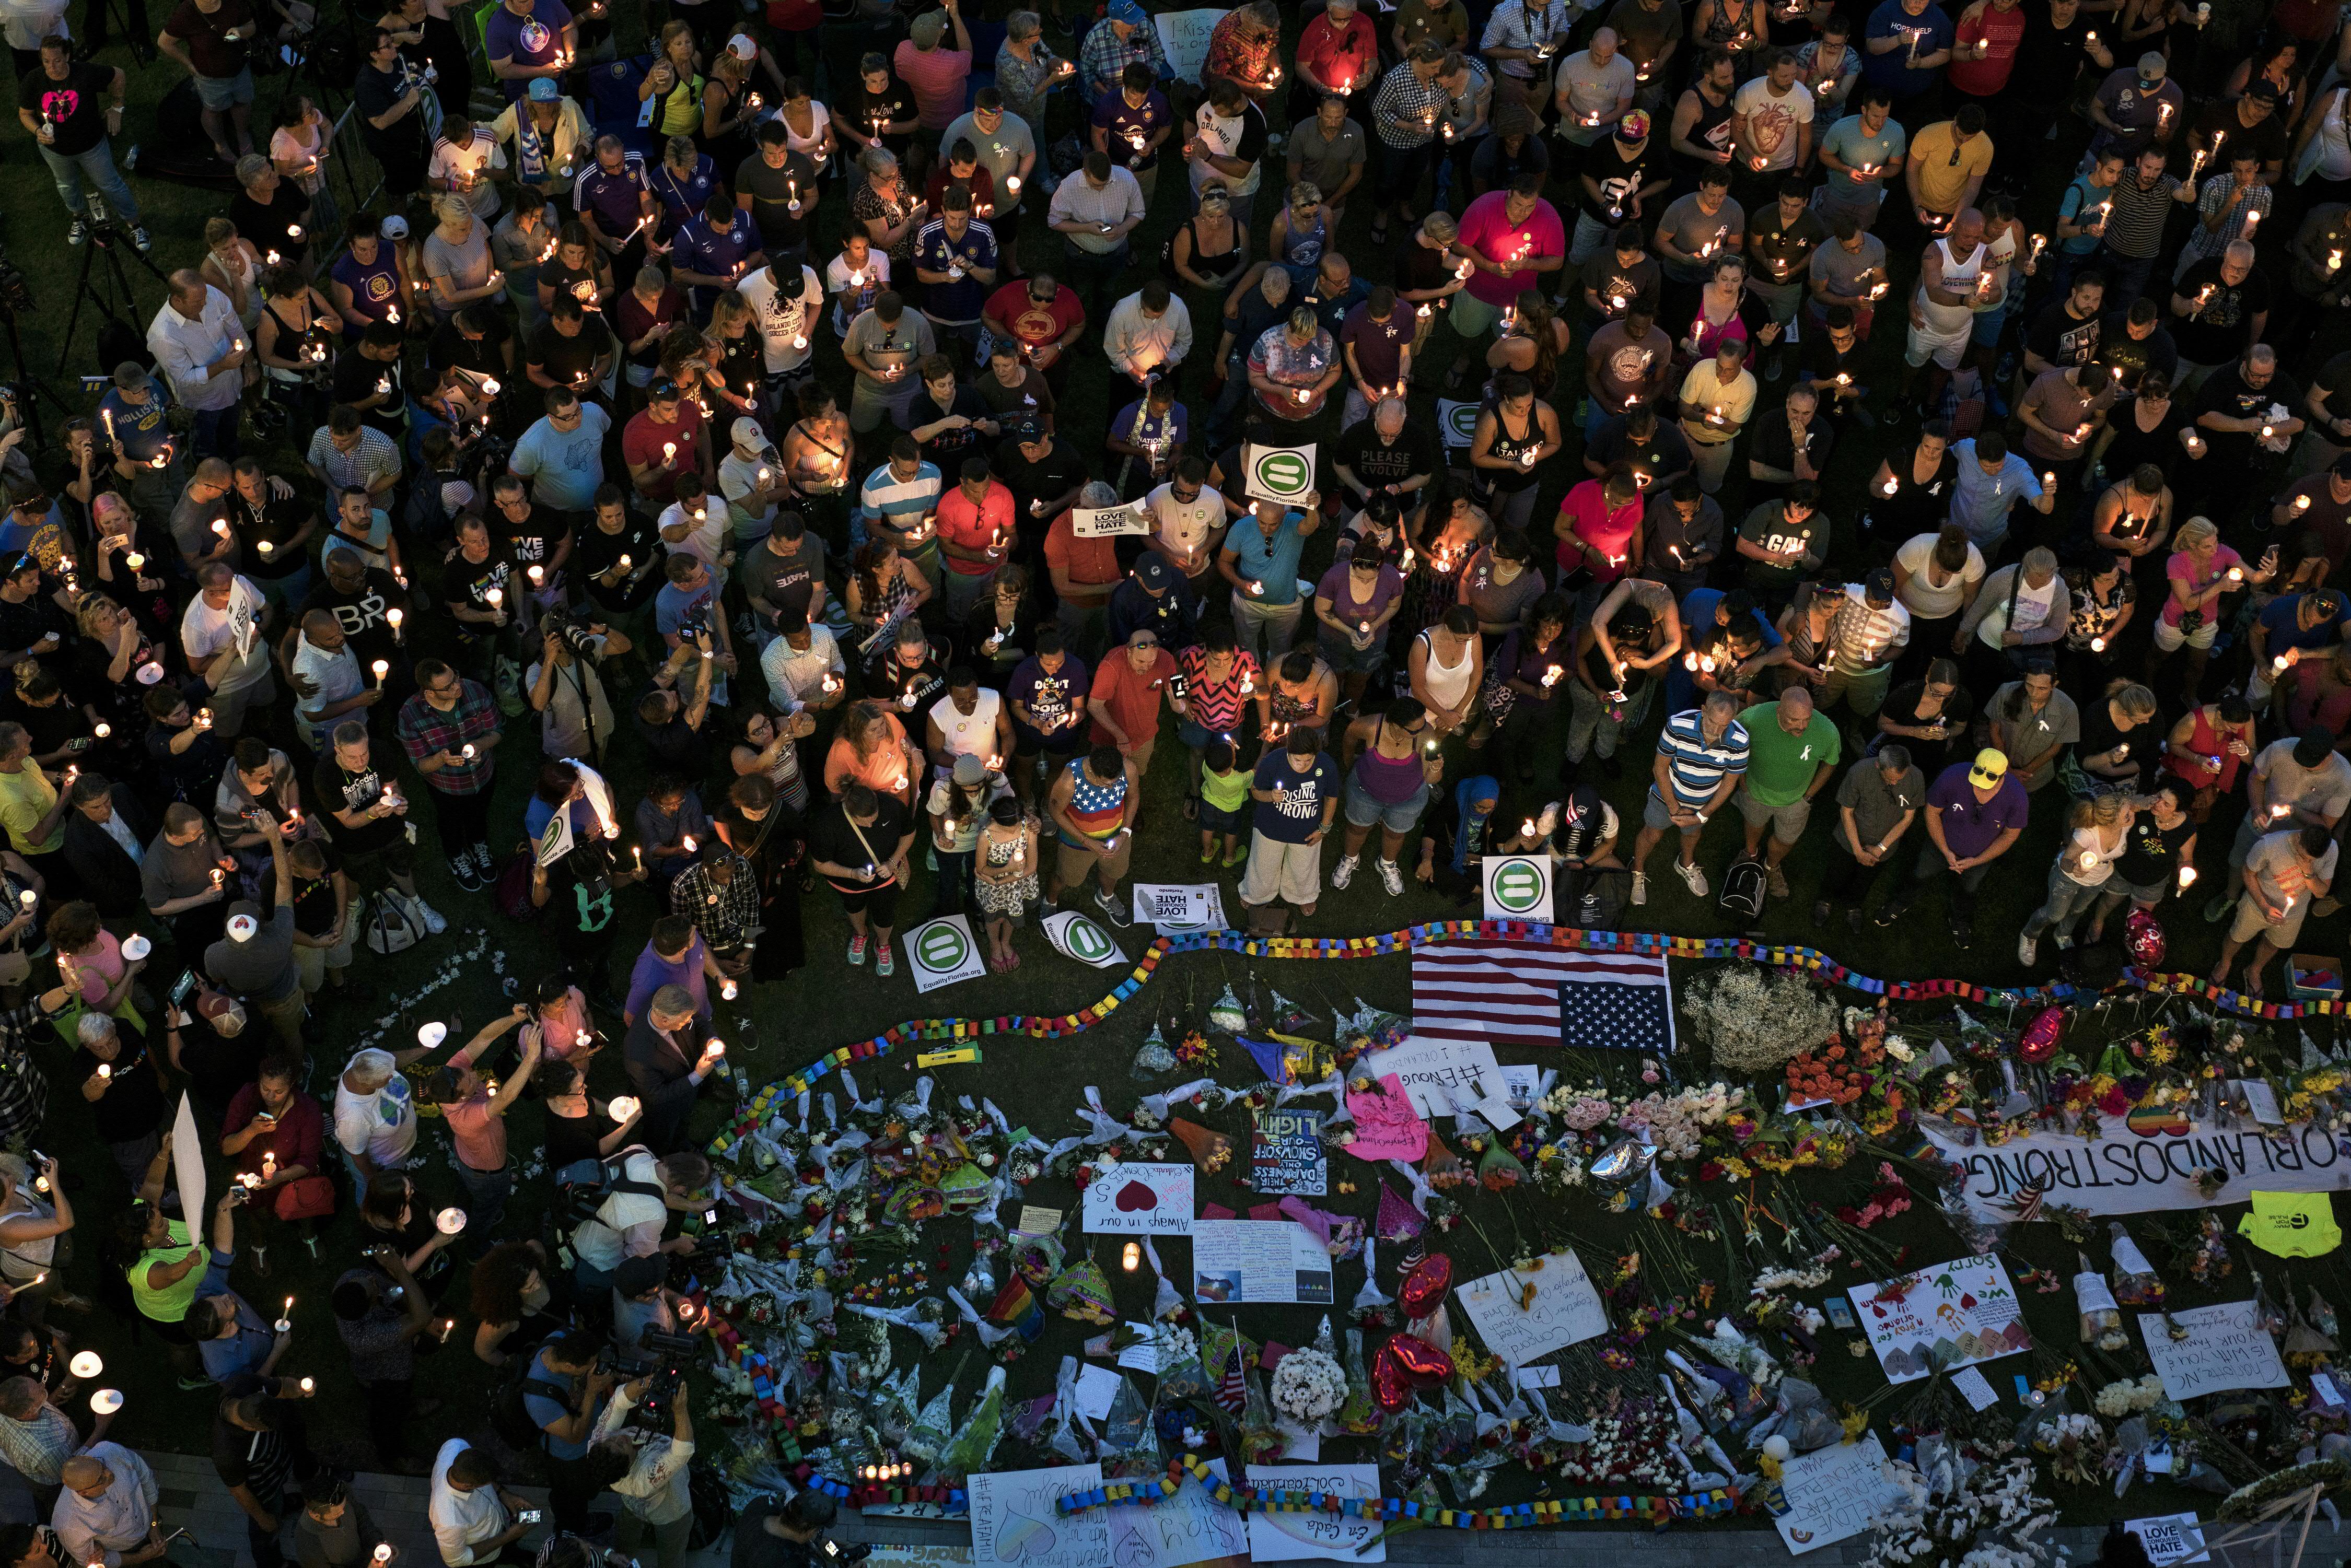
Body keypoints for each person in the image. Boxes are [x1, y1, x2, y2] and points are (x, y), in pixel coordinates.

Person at [2213, 825, 2338, 997]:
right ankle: (2225, 963)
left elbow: (2320, 892)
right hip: (2258, 904)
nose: (2308, 861)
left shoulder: (2332, 849)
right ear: (2300, 838)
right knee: (2238, 936)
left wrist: (2308, 872)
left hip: (2293, 914)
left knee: (2274, 944)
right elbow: (2248, 873)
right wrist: (2264, 906)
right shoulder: (2270, 845)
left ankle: (2254, 970)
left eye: (2312, 860)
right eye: (2304, 856)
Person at [52, 1446, 162, 1568]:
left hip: (152, 1518)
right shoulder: (69, 1525)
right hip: (128, 1552)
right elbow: (95, 1562)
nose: (109, 1473)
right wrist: (142, 1557)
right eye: (101, 1479)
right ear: (84, 1492)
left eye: (102, 1467)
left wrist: (154, 1524)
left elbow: (146, 1478)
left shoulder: (110, 1451)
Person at [427, 1441, 535, 1565]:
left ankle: (518, 1557)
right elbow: (456, 1561)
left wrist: (504, 1494)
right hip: (487, 1556)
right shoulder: (449, 1520)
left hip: (502, 1524)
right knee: (503, 1555)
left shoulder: (456, 1446)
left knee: (512, 1552)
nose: (489, 1484)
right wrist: (509, 1537)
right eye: (486, 1484)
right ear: (468, 1486)